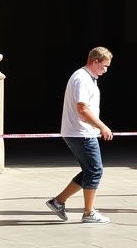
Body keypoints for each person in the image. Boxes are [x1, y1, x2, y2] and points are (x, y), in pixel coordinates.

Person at [47, 47, 115, 224]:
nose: (105, 70)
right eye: (104, 66)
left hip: (79, 132)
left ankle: (58, 201)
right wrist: (102, 126)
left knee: (89, 170)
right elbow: (82, 108)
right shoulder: (82, 78)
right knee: (95, 170)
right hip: (80, 133)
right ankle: (88, 212)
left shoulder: (88, 78)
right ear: (95, 62)